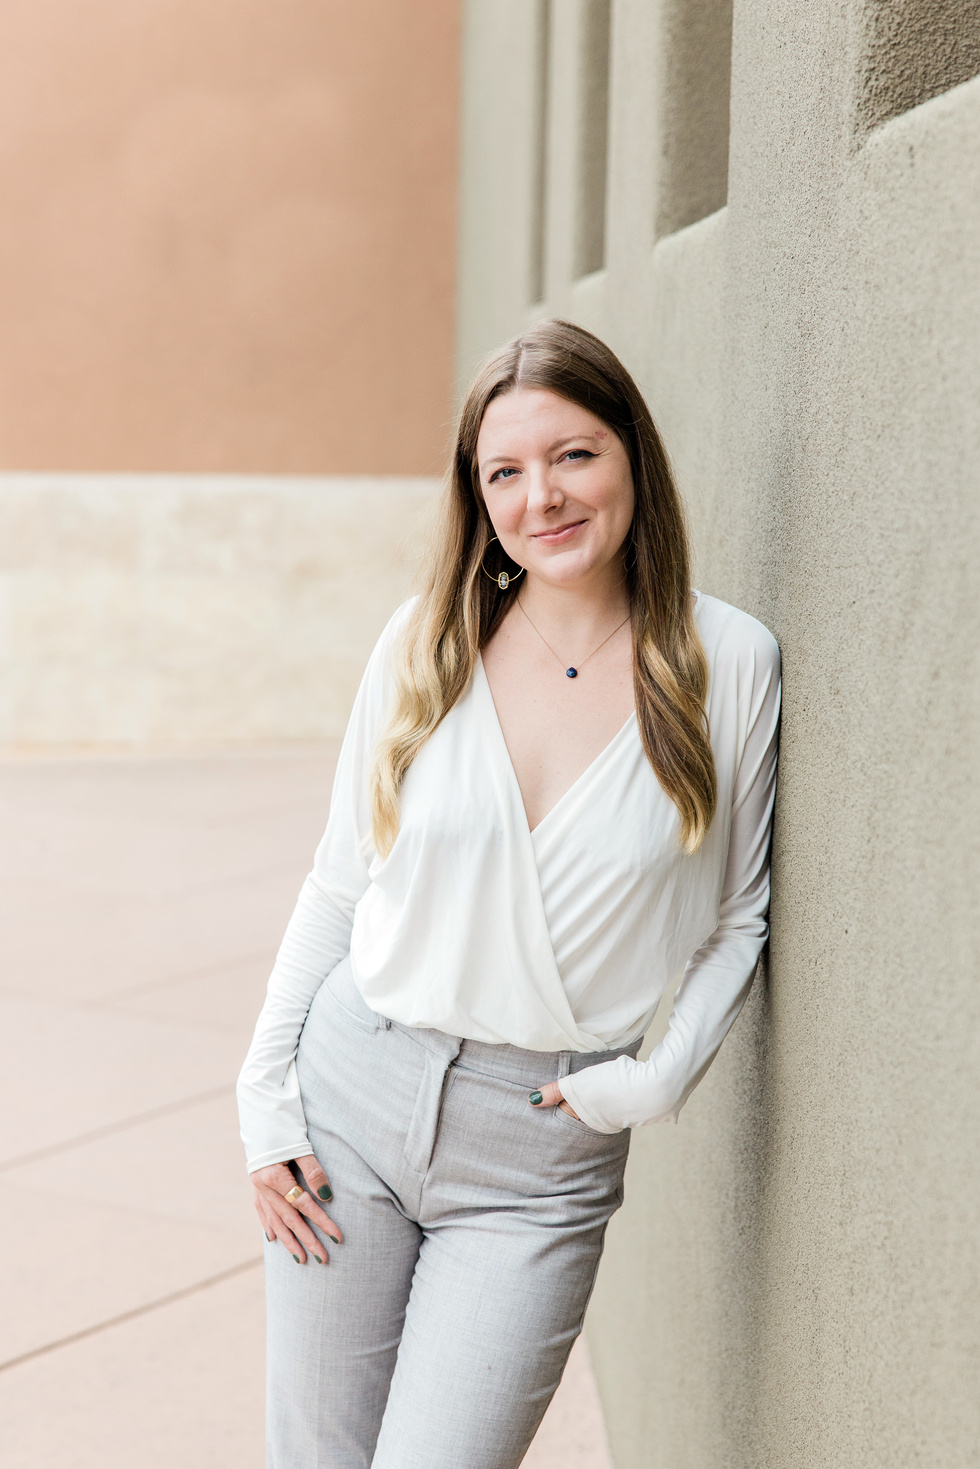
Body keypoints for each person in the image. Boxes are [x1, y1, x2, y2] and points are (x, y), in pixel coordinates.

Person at [236, 319, 781, 1469]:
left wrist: (649, 1079)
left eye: (573, 454)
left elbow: (737, 915)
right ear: (476, 495)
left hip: (536, 1154)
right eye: (505, 471)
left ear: (631, 452)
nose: (542, 496)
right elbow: (340, 883)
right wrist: (263, 1097)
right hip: (352, 1093)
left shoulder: (724, 661)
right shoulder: (425, 641)